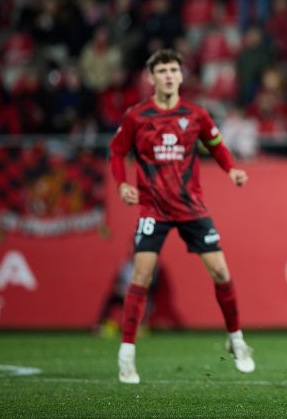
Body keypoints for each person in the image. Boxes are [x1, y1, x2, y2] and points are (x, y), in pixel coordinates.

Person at [109, 49, 253, 384]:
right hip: (153, 208)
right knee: (141, 276)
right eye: (162, 71)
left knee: (220, 272)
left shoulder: (196, 114)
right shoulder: (136, 116)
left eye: (174, 69)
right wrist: (121, 185)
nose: (169, 75)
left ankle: (236, 340)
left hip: (191, 207)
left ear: (181, 75)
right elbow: (117, 152)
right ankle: (126, 354)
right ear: (151, 77)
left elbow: (216, 144)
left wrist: (231, 170)